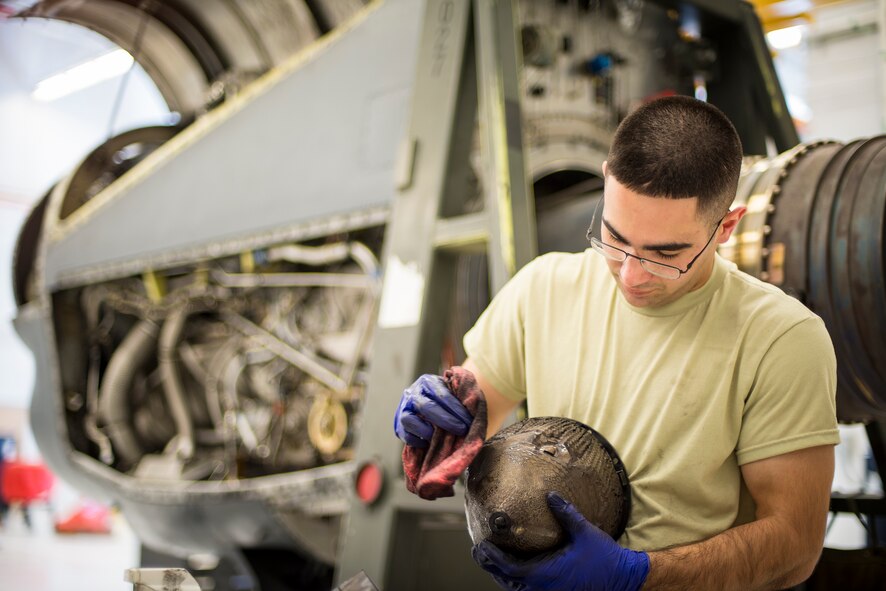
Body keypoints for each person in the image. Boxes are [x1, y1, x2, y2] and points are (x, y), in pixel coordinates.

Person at [394, 95, 839, 591]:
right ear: (606, 181)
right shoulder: (543, 287)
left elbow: (795, 544)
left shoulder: (780, 339)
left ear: (726, 227)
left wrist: (639, 577)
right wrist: (438, 422)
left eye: (665, 254)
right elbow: (476, 407)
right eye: (613, 237)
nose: (630, 275)